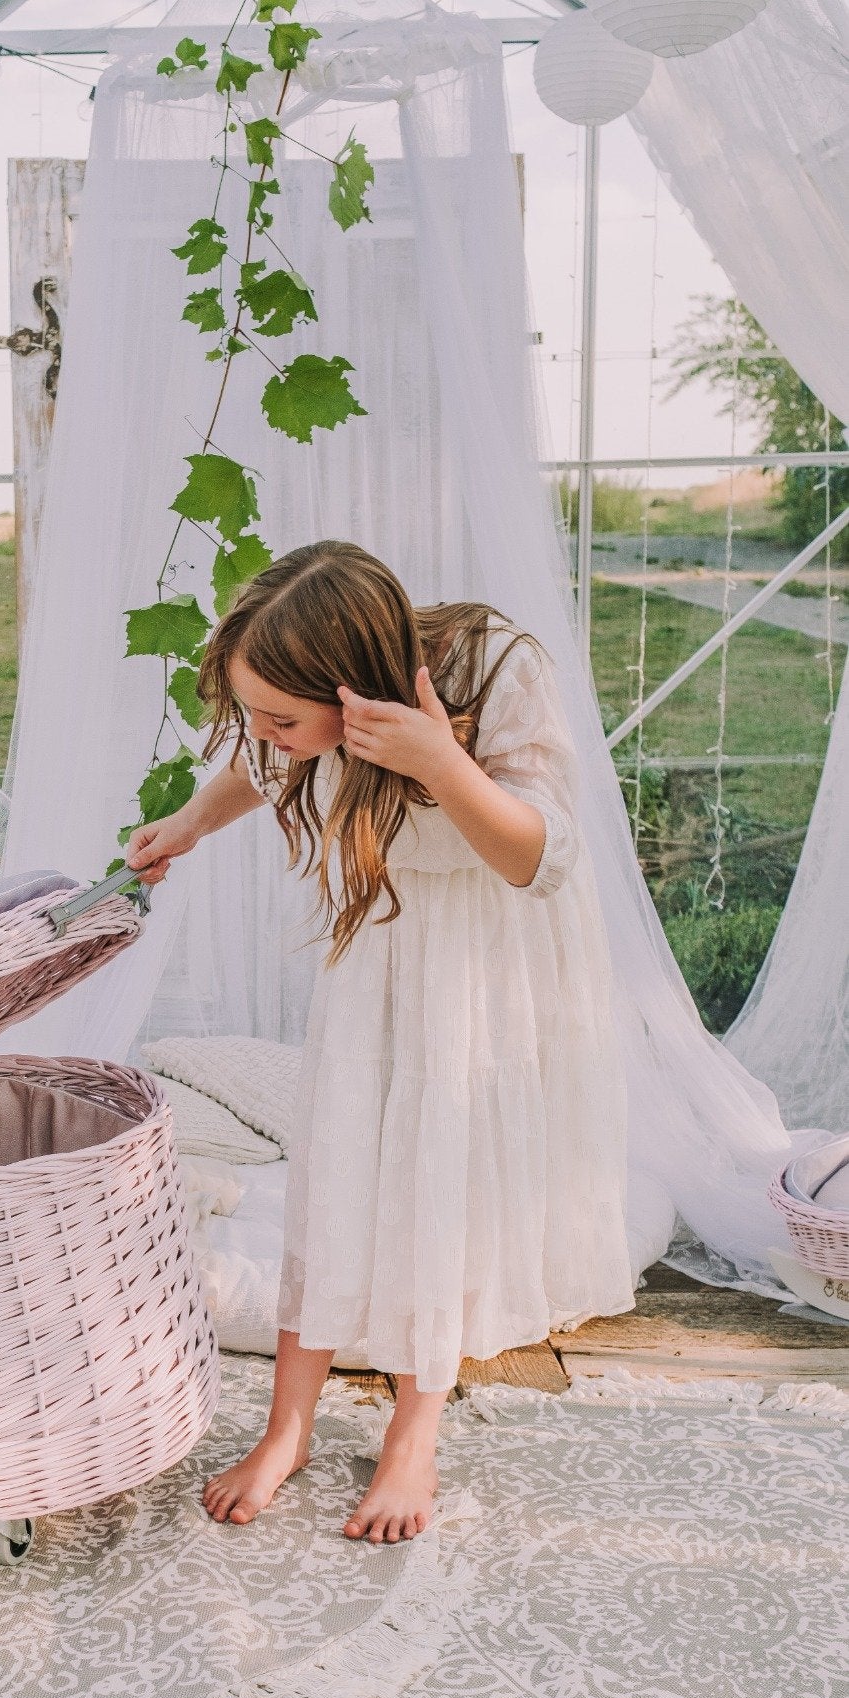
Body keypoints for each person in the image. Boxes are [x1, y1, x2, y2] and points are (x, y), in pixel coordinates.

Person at [126, 541, 633, 1543]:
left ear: (350, 689)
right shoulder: (299, 724)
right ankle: (289, 1425)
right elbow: (266, 758)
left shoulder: (498, 667)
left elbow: (541, 855)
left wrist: (439, 756)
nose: (268, 736)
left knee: (433, 1182)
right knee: (335, 1163)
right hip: (383, 953)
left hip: (482, 971)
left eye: (283, 714)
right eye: (256, 712)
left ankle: (414, 1425)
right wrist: (189, 820)